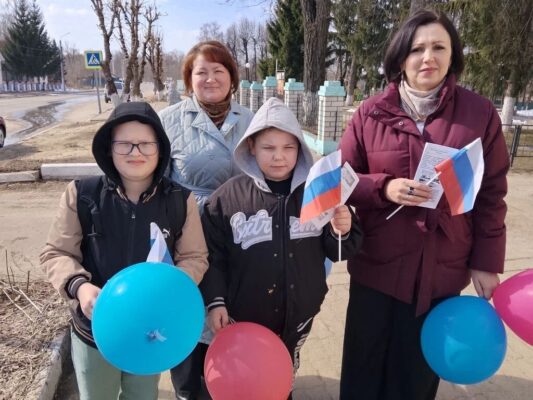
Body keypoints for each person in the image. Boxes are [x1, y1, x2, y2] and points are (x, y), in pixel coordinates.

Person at [338, 10, 509, 400]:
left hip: (441, 272)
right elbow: (340, 180)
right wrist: (385, 188)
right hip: (377, 268)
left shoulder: (479, 114)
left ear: (453, 56)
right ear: (401, 58)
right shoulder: (370, 113)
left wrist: (486, 262)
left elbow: (491, 193)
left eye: (438, 47)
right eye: (417, 49)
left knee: (414, 378)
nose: (427, 57)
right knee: (363, 371)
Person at [40, 102, 209, 400]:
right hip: (94, 331)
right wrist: (80, 287)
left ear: (160, 149)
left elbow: (194, 257)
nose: (135, 152)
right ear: (109, 149)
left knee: (142, 395)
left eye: (145, 143)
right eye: (124, 144)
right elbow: (56, 253)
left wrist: (171, 286)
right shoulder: (82, 194)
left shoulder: (180, 200)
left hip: (150, 328)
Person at [200, 98, 364, 399]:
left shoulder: (318, 192)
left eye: (288, 147)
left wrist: (341, 228)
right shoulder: (227, 199)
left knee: (283, 375)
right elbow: (212, 257)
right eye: (268, 147)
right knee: (247, 381)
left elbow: (338, 251)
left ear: (300, 148)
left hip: (299, 315)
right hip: (244, 316)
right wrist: (216, 302)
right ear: (251, 147)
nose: (279, 156)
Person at [159, 40, 254, 400]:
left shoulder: (251, 121)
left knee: (229, 314)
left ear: (232, 77)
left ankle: (230, 385)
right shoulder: (168, 121)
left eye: (219, 70)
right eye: (201, 72)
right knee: (186, 316)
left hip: (241, 236)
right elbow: (156, 183)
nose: (210, 78)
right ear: (189, 79)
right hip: (187, 236)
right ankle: (187, 390)